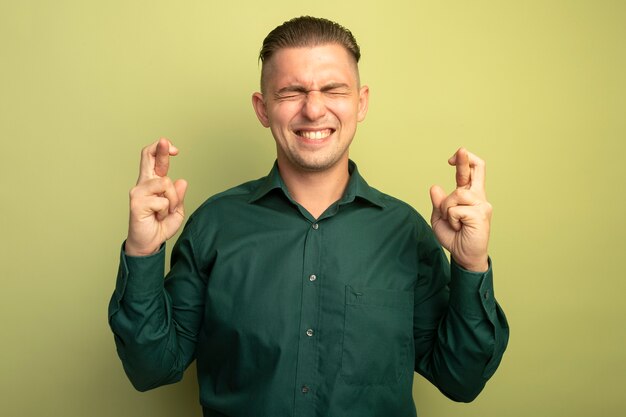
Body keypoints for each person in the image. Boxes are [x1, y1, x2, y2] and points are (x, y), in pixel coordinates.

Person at [108, 16, 509, 417]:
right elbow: (151, 369)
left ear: (361, 102)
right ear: (263, 109)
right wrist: (142, 251)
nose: (314, 109)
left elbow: (461, 380)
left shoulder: (406, 233)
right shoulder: (213, 225)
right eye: (291, 93)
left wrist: (470, 264)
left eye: (333, 89)